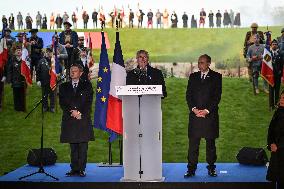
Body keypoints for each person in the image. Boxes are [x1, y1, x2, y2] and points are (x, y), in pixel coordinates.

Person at [184, 54, 222, 178]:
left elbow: (216, 97)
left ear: (209, 63)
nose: (199, 65)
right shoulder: (193, 77)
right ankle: (191, 169)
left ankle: (211, 167)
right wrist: (194, 109)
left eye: (202, 62)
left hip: (209, 116)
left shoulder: (217, 77)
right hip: (195, 116)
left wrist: (206, 110)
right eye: (199, 62)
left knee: (210, 144)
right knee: (193, 144)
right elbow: (188, 95)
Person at [59, 63, 94, 177]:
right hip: (70, 119)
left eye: (75, 70)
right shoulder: (63, 86)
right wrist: (72, 112)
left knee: (83, 146)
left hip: (82, 119)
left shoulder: (87, 85)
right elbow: (62, 103)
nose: (72, 72)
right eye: (71, 70)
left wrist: (80, 113)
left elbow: (88, 102)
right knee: (73, 146)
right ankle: (74, 168)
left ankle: (82, 169)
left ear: (81, 73)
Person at [266, 90, 284, 189]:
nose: (281, 100)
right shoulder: (278, 111)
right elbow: (271, 129)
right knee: (276, 178)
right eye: (281, 97)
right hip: (276, 150)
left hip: (281, 149)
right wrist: (271, 143)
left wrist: (279, 146)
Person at [6, 43, 29, 112]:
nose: (19, 51)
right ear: (14, 52)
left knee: (22, 95)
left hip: (22, 80)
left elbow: (27, 70)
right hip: (15, 81)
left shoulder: (24, 60)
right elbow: (9, 71)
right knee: (16, 95)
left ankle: (22, 108)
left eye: (19, 50)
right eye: (17, 50)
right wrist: (9, 79)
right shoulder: (12, 60)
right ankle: (17, 108)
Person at [36, 46, 55, 112]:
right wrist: (38, 80)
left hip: (52, 81)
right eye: (47, 52)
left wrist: (59, 75)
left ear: (52, 53)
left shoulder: (55, 61)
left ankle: (52, 107)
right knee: (44, 95)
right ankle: (45, 107)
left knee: (52, 95)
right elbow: (38, 71)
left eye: (50, 52)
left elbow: (59, 69)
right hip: (44, 81)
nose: (48, 53)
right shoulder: (41, 61)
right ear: (45, 53)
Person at [269, 39, 284, 109]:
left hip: (277, 76)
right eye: (273, 44)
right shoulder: (268, 54)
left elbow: (281, 65)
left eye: (275, 44)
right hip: (270, 76)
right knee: (271, 91)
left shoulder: (280, 54)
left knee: (277, 90)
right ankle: (271, 105)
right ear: (271, 46)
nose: (274, 45)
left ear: (277, 45)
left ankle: (276, 104)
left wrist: (281, 75)